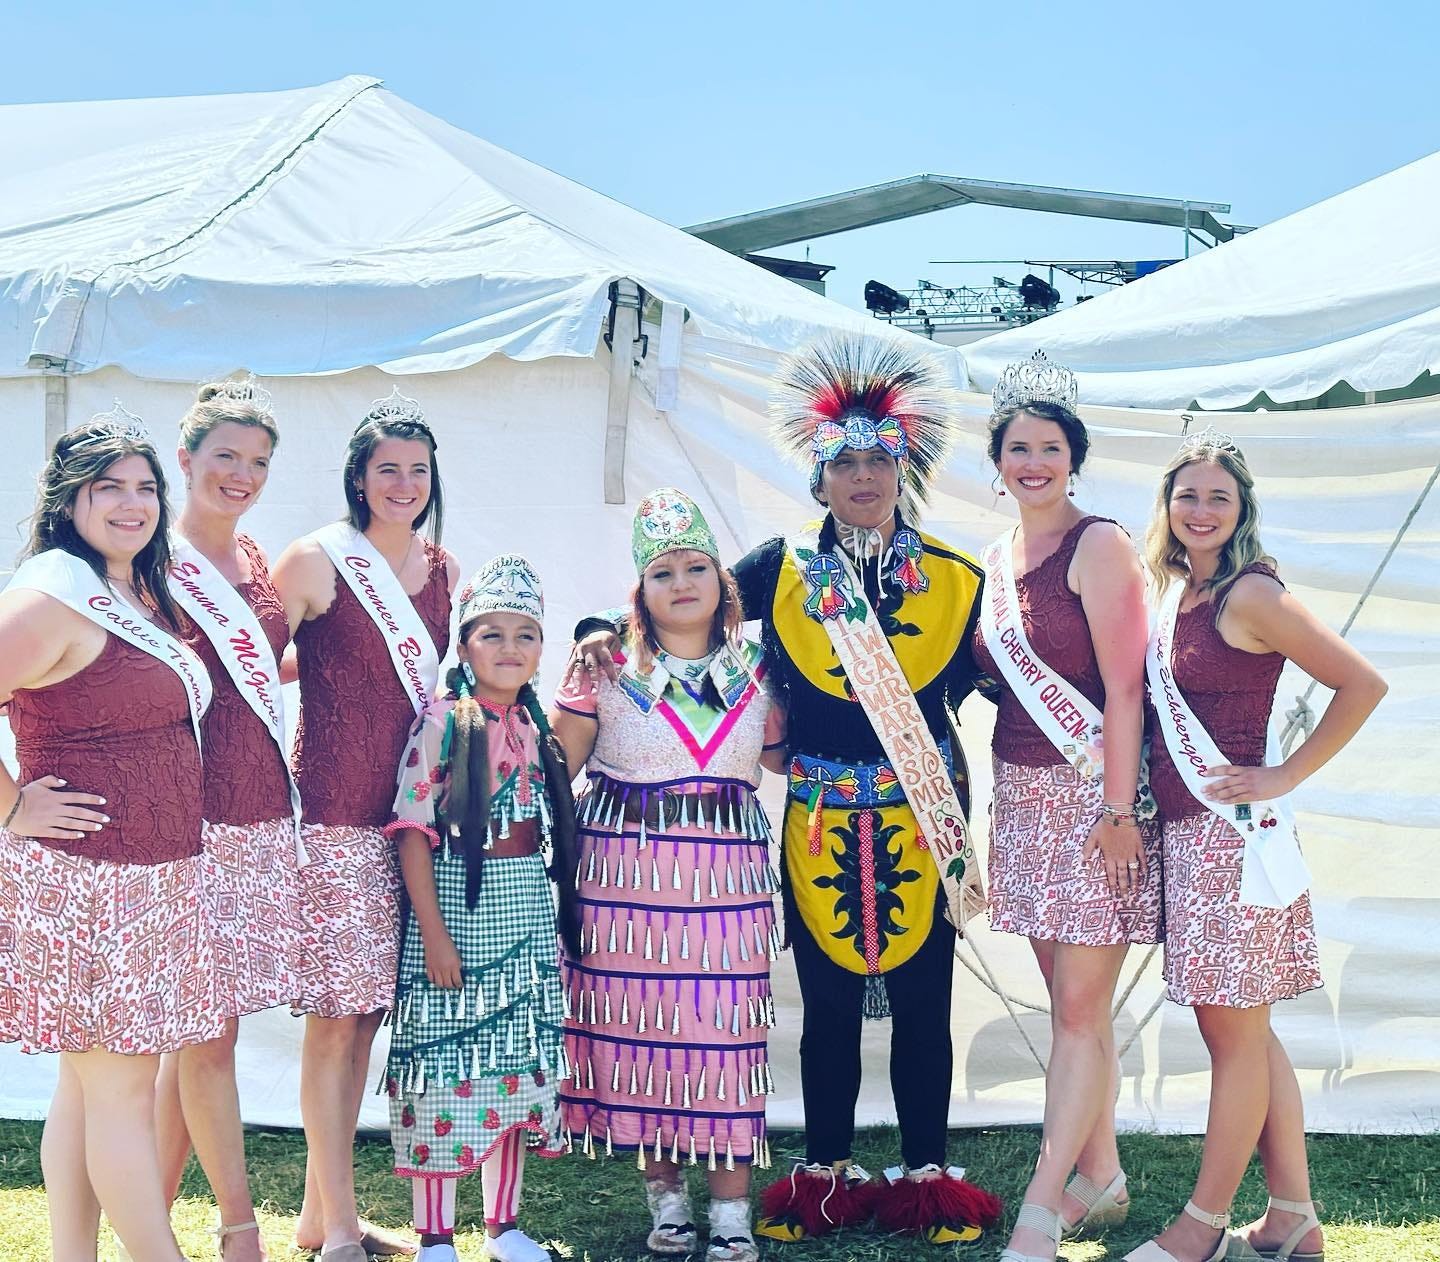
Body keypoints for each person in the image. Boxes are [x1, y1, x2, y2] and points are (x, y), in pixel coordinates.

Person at [573, 339, 1002, 1247]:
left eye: (877, 460)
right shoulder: (778, 573)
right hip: (814, 822)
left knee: (927, 1001)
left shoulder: (962, 586)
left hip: (923, 822)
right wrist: (592, 635)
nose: (861, 477)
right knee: (828, 1009)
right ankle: (828, 1174)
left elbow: (1008, 682)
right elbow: (677, 605)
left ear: (902, 467)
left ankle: (926, 1171)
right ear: (817, 479)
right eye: (842, 462)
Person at [1123, 429, 1386, 1262]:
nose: (1201, 511)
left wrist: (1285, 773)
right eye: (1188, 495)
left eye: (1219, 498)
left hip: (1231, 846)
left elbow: (1362, 682)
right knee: (1249, 1036)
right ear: (1168, 505)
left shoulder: (1249, 594)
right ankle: (1292, 1218)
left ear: (1241, 512)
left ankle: (1199, 1228)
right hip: (1193, 841)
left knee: (1230, 1039)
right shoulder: (1180, 594)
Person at [0, 408, 219, 1262]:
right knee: (122, 1093)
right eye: (108, 489)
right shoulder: (48, 595)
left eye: (144, 488)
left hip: (149, 879)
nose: (132, 505)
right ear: (69, 502)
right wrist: (12, 808)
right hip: (86, 885)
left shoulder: (130, 588)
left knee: (87, 1091)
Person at [551, 489, 785, 1262]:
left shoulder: (764, 668)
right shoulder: (603, 668)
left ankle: (729, 1210)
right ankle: (666, 1199)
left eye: (695, 567)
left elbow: (786, 757)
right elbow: (558, 772)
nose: (681, 583)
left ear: (723, 582)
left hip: (726, 879)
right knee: (643, 1036)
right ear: (639, 592)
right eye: (662, 572)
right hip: (622, 879)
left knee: (722, 1032)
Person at [971, 352, 1160, 1262]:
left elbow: (1125, 692)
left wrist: (1120, 810)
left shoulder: (1100, 545)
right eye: (1018, 447)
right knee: (1067, 1006)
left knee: (1080, 1013)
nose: (1033, 462)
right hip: (1022, 799)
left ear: (1073, 456)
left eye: (1049, 447)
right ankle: (1104, 1176)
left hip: (1096, 804)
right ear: (998, 460)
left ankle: (1043, 1208)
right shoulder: (996, 559)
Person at [273, 387, 458, 1261]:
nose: (404, 483)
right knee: (335, 1022)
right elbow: (248, 662)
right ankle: (339, 1227)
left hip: (407, 824)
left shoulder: (445, 569)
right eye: (388, 468)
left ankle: (320, 1216)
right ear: (357, 475)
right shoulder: (313, 559)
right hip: (334, 816)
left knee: (367, 1019)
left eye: (418, 470)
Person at [384, 554, 580, 1262]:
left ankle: (504, 1227)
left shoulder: (534, 729)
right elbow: (412, 832)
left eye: (524, 634)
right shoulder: (439, 723)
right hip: (459, 915)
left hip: (523, 909)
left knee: (517, 1070)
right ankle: (436, 1236)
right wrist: (433, 936)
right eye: (491, 633)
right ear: (463, 646)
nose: (509, 648)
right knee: (445, 1072)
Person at [151, 378, 305, 1261]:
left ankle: (152, 1214)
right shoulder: (148, 565)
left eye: (257, 461)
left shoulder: (255, 559)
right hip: (188, 819)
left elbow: (260, 672)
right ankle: (238, 1230)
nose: (241, 475)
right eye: (225, 457)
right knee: (210, 1035)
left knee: (201, 1032)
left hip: (258, 813)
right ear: (186, 460)